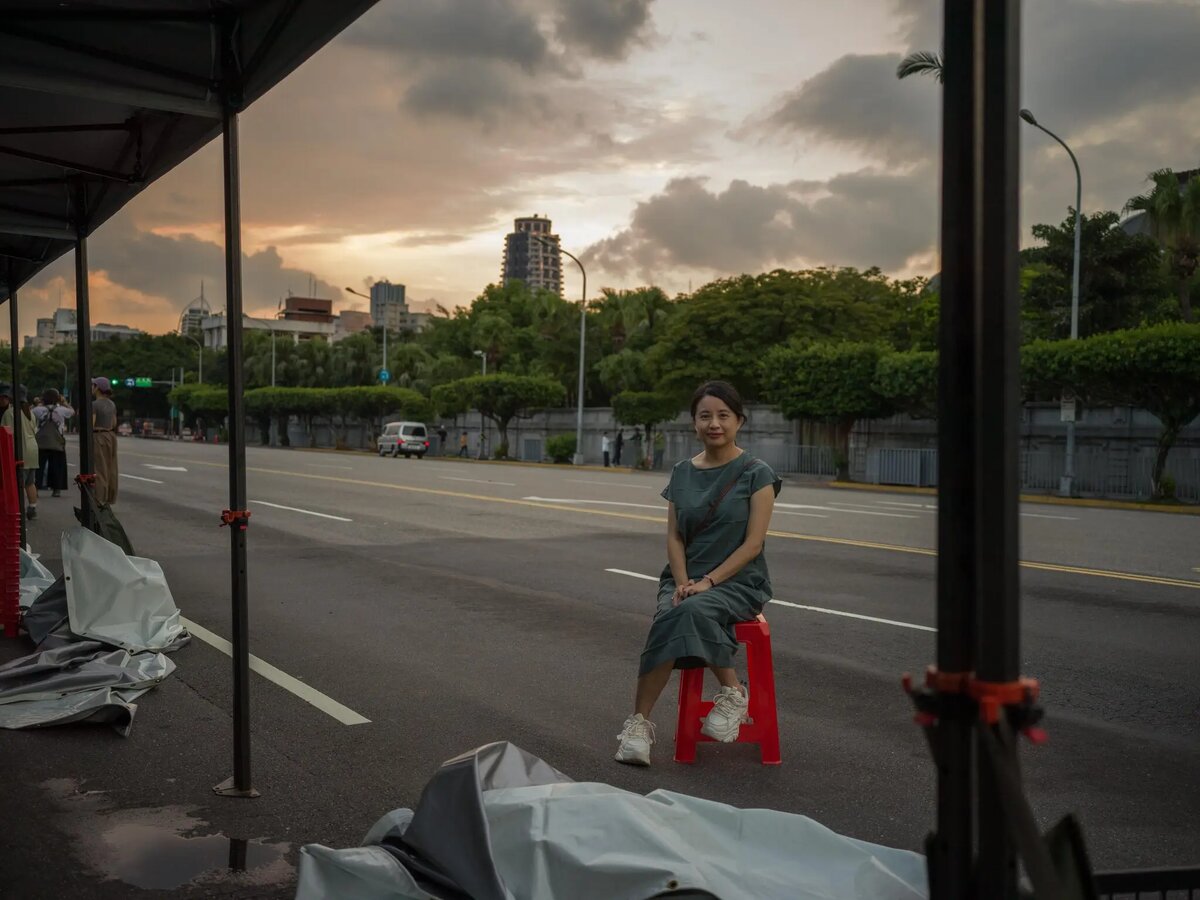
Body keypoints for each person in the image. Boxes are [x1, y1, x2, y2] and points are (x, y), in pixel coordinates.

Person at [614, 380, 781, 766]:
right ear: (694, 423)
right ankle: (639, 727)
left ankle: (732, 693)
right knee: (676, 609)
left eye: (723, 415)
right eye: (705, 416)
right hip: (685, 577)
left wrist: (707, 582)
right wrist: (683, 580)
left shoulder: (758, 473)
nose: (714, 423)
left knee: (686, 610)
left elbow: (753, 544)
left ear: (739, 421)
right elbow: (674, 535)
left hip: (739, 581)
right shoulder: (682, 472)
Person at [1, 387, 40, 519]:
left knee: (17, 482)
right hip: (33, 450)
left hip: (20, 450)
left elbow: (5, 432)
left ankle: (18, 510)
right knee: (30, 482)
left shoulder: (10, 413)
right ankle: (33, 508)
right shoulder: (30, 413)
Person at [33, 388, 73, 498]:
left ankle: (36, 487)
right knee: (57, 466)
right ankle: (56, 489)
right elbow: (72, 411)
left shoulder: (38, 410)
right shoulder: (61, 410)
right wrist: (64, 402)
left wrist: (40, 402)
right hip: (57, 442)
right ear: (57, 398)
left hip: (41, 442)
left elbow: (30, 414)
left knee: (38, 467)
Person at [91, 377, 119, 505]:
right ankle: (110, 497)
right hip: (111, 436)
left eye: (93, 385)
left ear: (97, 388)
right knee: (111, 467)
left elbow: (91, 424)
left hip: (98, 436)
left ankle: (99, 499)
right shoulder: (112, 404)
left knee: (99, 468)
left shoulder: (95, 405)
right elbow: (114, 422)